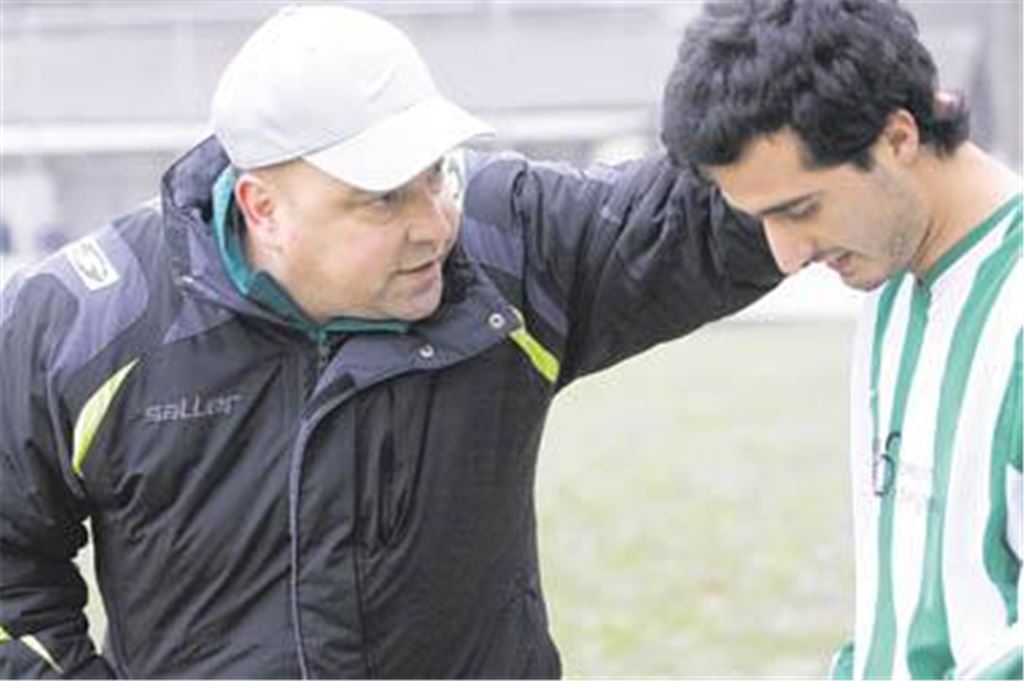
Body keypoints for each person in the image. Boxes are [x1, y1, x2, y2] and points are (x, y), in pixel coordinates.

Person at [0, 5, 782, 678]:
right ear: (261, 206)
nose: (432, 223)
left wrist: (799, 55)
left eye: (434, 174)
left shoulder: (508, 245)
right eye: (380, 198)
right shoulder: (88, 324)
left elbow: (715, 220)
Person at [660, 0, 1022, 678]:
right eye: (761, 218)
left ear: (898, 137)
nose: (788, 254)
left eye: (801, 209)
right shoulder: (892, 277)